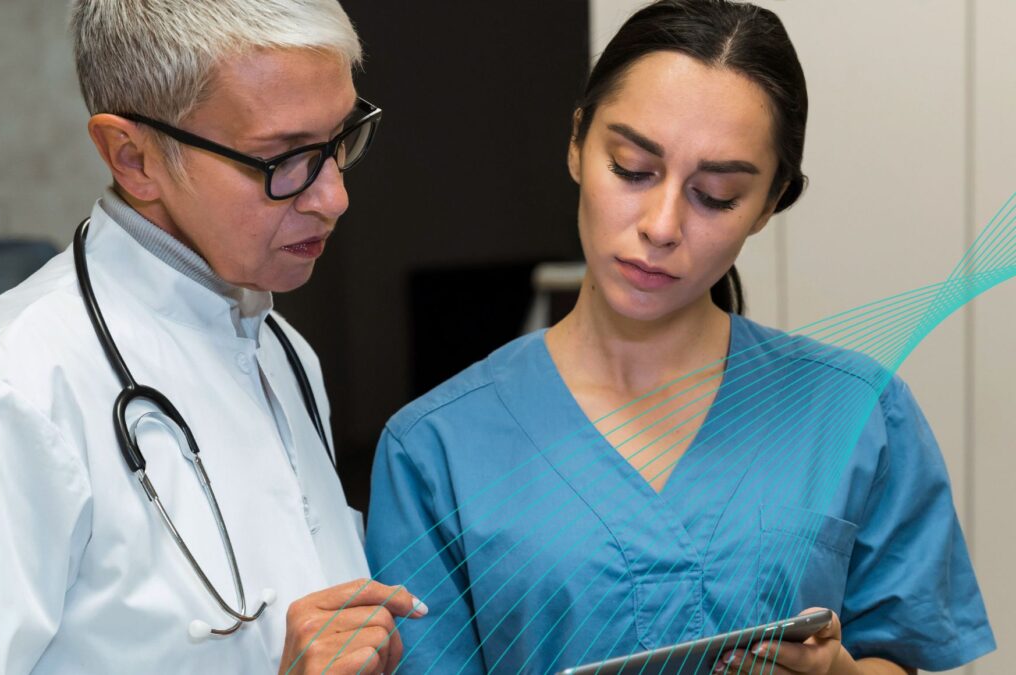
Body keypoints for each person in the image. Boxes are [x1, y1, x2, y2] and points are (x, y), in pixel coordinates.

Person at [365, 1, 995, 673]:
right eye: (633, 168)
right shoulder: (437, 449)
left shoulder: (861, 415)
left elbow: (901, 651)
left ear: (770, 201)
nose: (662, 225)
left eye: (717, 195)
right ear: (577, 142)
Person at [0, 1, 425, 672]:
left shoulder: (282, 351)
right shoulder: (12, 386)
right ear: (132, 157)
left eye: (340, 140)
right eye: (285, 159)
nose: (334, 196)